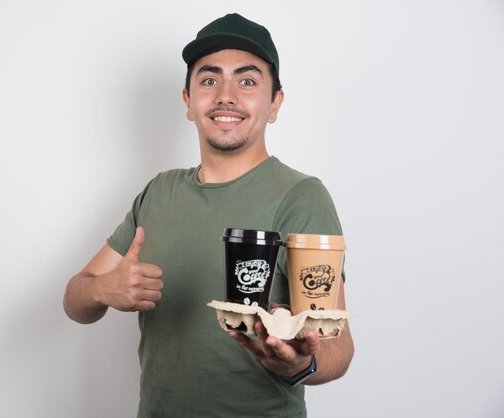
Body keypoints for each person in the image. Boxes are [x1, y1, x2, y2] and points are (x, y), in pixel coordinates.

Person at [63, 13, 354, 417]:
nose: (226, 95)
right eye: (209, 79)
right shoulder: (158, 191)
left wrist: (298, 364)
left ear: (275, 104)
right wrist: (103, 289)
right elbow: (76, 297)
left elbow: (338, 346)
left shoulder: (301, 198)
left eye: (247, 81)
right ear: (188, 101)